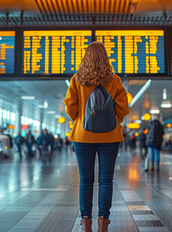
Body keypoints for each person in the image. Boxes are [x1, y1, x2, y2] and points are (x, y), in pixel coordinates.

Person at [63, 41, 129, 232]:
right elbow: (123, 107)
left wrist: (80, 118)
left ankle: (86, 223)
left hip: (83, 136)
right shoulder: (114, 80)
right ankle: (103, 223)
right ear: (105, 57)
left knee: (85, 179)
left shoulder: (77, 79)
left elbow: (69, 105)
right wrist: (115, 120)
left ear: (86, 57)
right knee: (106, 180)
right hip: (110, 136)